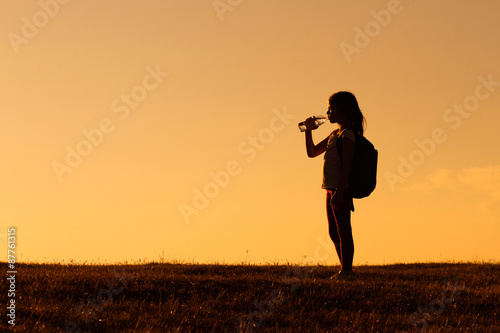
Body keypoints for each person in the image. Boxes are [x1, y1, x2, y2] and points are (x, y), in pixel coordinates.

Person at [304, 91, 365, 280]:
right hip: (330, 189)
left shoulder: (347, 135)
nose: (328, 112)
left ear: (343, 110)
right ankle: (344, 269)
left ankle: (347, 271)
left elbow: (347, 164)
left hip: (341, 189)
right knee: (333, 231)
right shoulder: (334, 134)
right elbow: (312, 152)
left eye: (331, 108)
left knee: (343, 230)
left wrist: (339, 191)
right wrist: (308, 130)